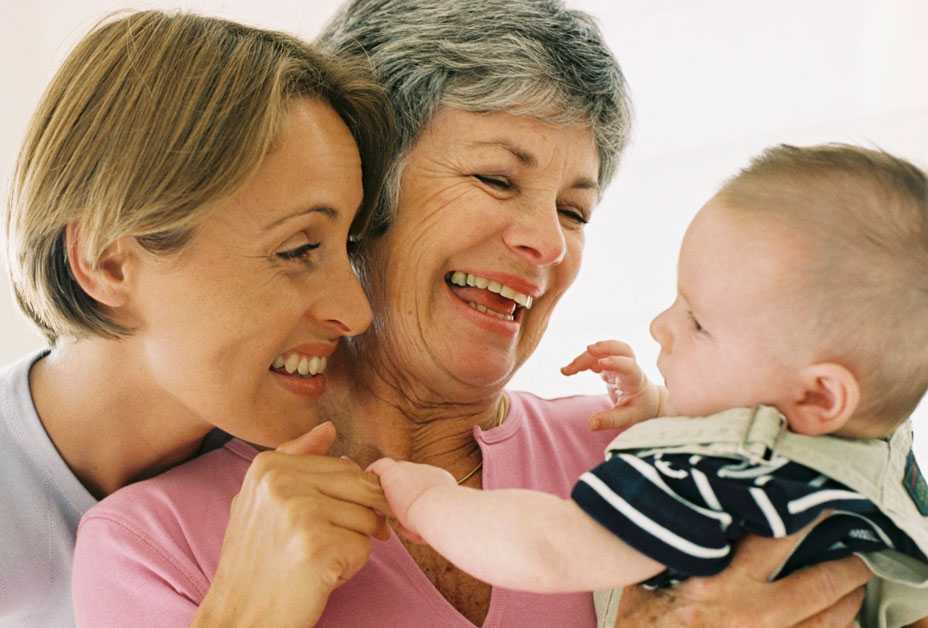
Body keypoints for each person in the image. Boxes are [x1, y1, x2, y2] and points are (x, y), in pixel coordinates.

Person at [71, 2, 873, 627]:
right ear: (359, 194)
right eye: (496, 179)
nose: (546, 242)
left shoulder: (658, 450)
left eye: (575, 210)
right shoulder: (154, 543)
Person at [369, 144, 928, 627]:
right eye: (495, 180)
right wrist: (658, 409)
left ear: (819, 397)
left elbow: (549, 547)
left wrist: (432, 501)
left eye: (699, 322)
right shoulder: (874, 482)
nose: (662, 326)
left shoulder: (717, 479)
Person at [0, 10, 395, 626]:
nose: (356, 312)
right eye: (297, 250)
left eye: (347, 247)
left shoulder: (317, 449)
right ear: (107, 262)